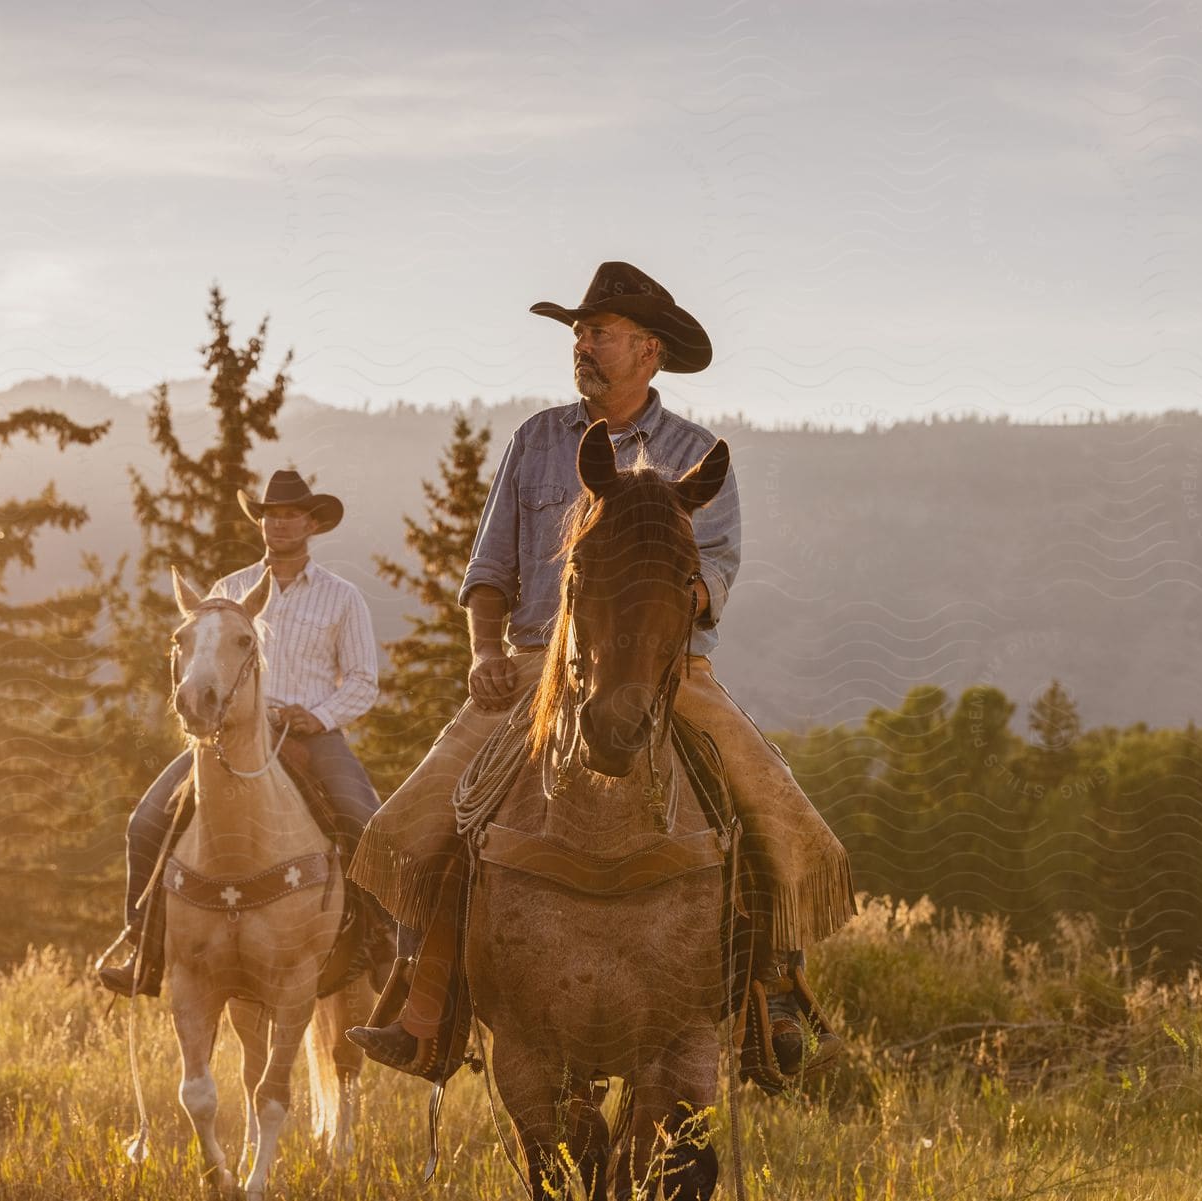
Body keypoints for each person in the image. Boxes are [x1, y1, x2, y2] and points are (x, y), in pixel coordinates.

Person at [345, 262, 855, 1085]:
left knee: (774, 806)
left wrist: (670, 600)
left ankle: (776, 991)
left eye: (598, 331)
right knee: (419, 817)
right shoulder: (538, 440)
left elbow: (716, 571)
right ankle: (423, 999)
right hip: (535, 664)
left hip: (665, 663)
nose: (582, 344)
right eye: (579, 331)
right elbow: (489, 571)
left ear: (648, 350)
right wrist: (482, 652)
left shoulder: (696, 454)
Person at [96, 469, 383, 996]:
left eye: (292, 514)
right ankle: (143, 948)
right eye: (271, 514)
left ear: (312, 523)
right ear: (262, 522)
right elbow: (203, 665)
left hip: (312, 733)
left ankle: (383, 947)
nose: (280, 523)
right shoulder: (226, 591)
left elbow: (364, 680)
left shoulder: (342, 598)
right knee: (144, 823)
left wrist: (316, 716)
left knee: (364, 819)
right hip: (229, 737)